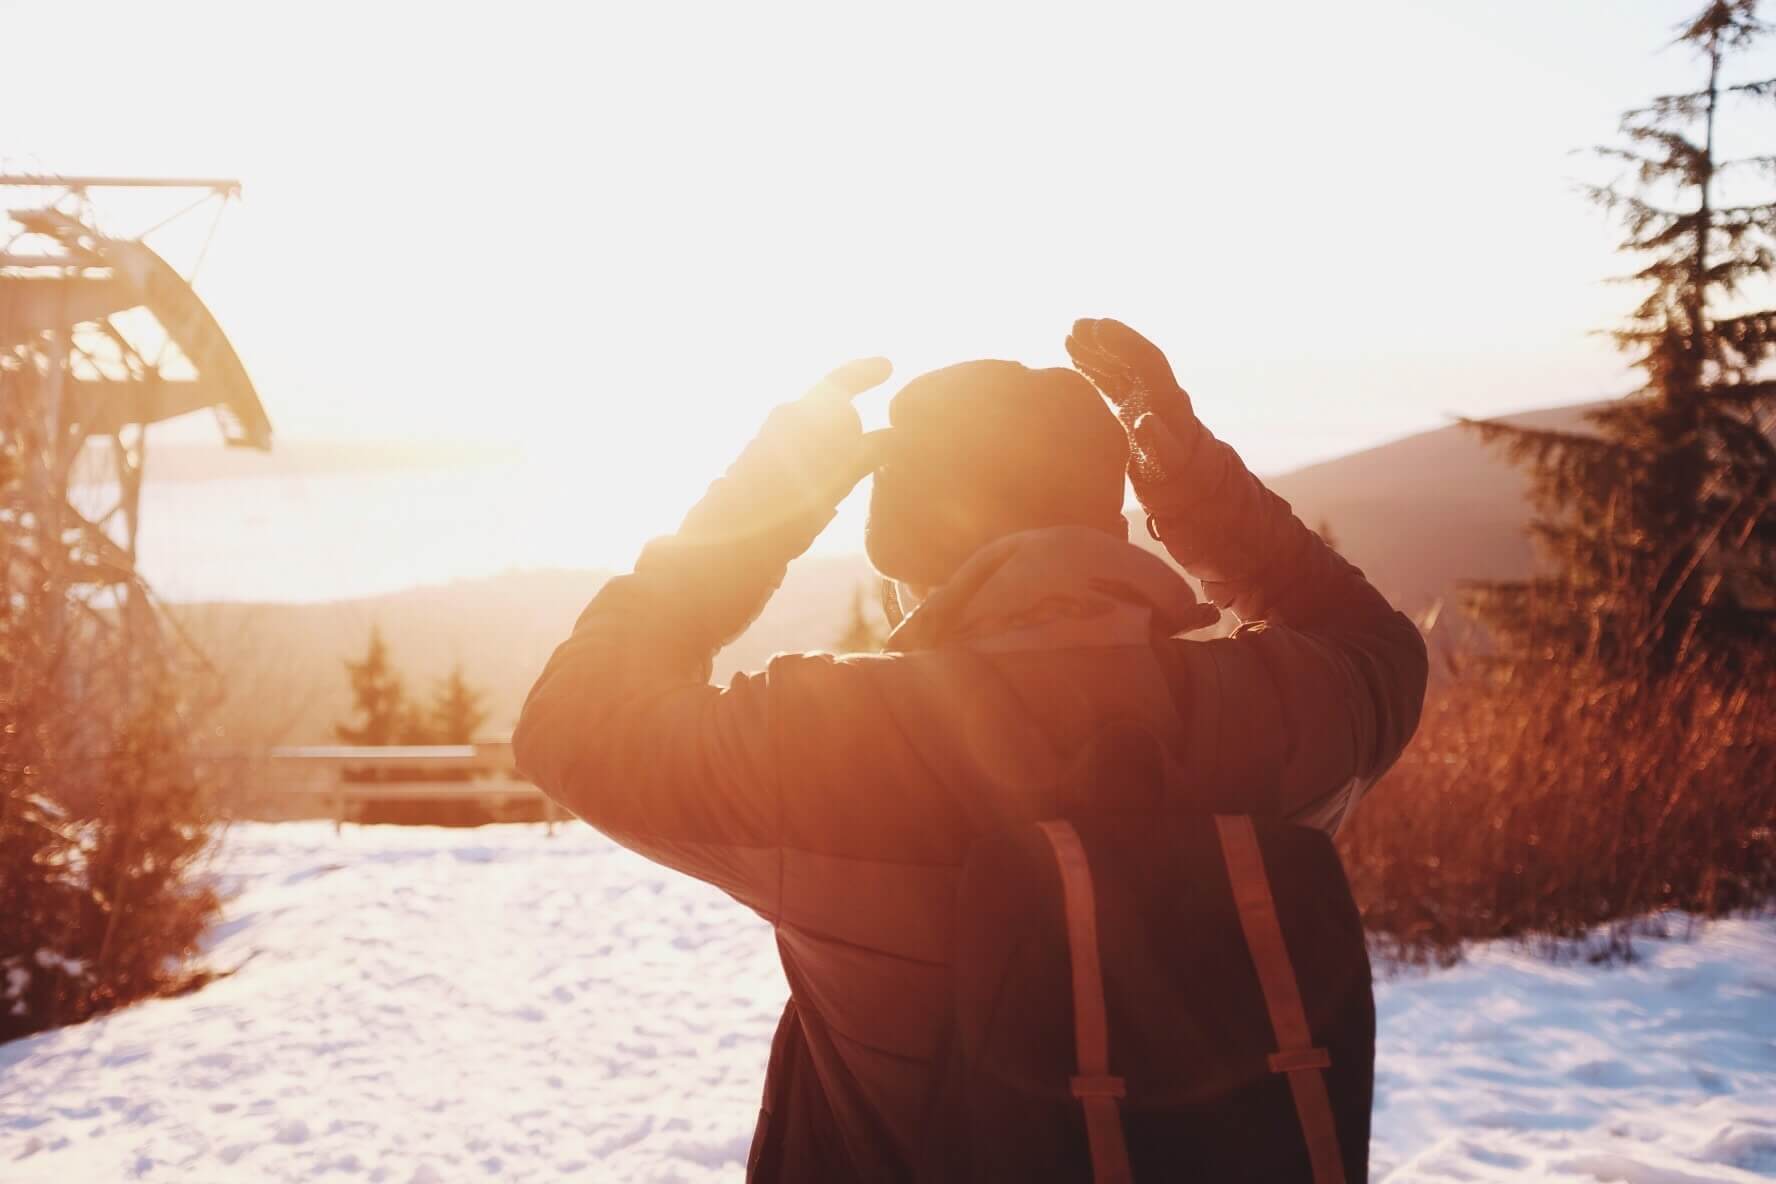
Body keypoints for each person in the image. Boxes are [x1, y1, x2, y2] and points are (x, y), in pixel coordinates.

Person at [513, 319, 1428, 1182]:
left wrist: (764, 505)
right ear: (1100, 524)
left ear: (909, 562)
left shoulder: (830, 742)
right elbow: (1379, 649)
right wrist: (1195, 489)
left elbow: (574, 720)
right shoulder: (1269, 714)